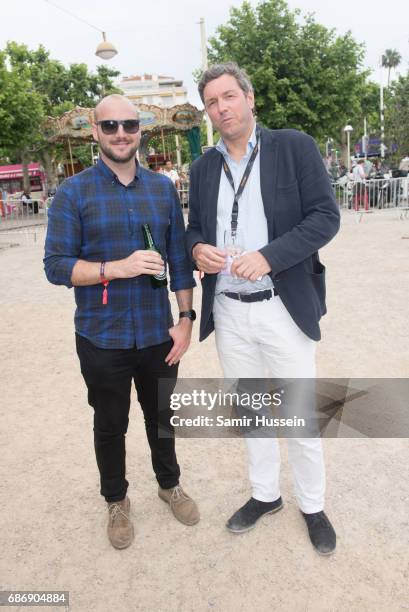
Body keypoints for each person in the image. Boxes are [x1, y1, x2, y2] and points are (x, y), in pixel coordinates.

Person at [186, 62, 340, 555]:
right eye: (212, 102)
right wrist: (196, 251)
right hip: (228, 311)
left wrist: (269, 257)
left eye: (229, 96)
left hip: (281, 306)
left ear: (250, 99)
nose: (221, 108)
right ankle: (265, 495)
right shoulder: (204, 166)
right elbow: (193, 230)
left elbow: (325, 217)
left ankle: (312, 505)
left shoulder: (294, 146)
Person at [44, 94, 199, 550]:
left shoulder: (162, 188)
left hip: (158, 333)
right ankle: (116, 499)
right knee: (110, 424)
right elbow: (56, 266)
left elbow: (178, 258)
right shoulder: (73, 192)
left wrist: (186, 317)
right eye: (109, 126)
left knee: (162, 418)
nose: (120, 133)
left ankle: (169, 485)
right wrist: (117, 267)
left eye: (129, 125)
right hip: (101, 336)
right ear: (95, 131)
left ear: (139, 130)